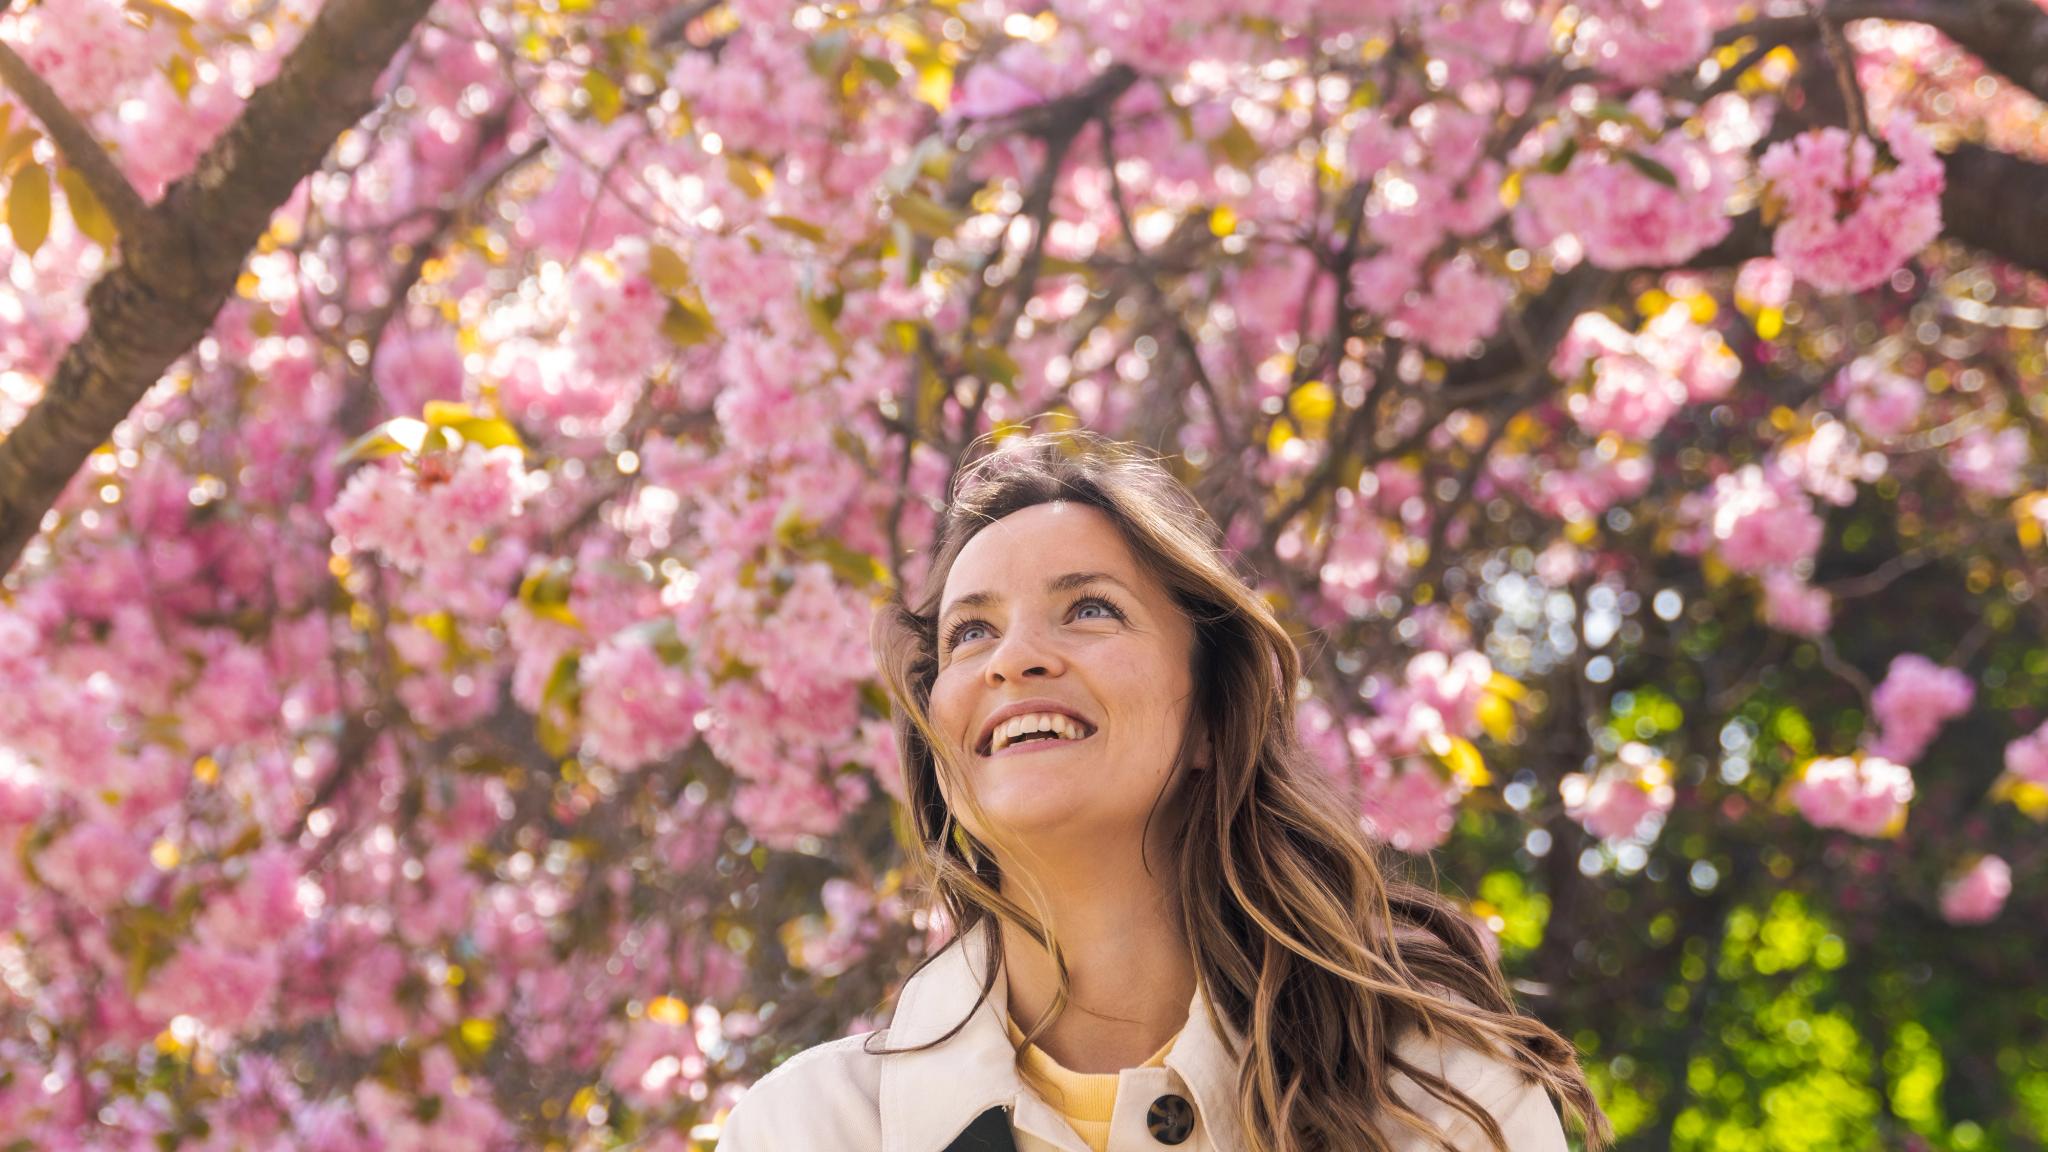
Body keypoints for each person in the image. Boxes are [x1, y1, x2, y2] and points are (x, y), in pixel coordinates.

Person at [714, 430, 1612, 1152]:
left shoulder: (1437, 1098)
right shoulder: (803, 1129)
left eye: (1091, 608)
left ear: (1213, 718)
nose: (1016, 657)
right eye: (970, 631)